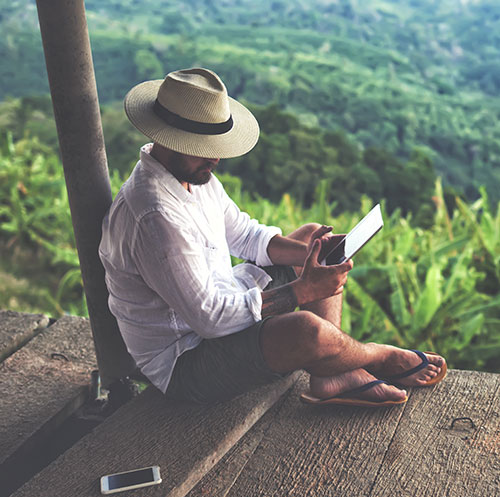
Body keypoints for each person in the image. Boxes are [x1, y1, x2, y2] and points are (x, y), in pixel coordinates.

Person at [99, 68, 446, 406]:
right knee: (308, 331)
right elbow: (210, 320)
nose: (216, 157)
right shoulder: (155, 218)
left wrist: (311, 253)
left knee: (312, 239)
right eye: (202, 146)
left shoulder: (192, 175)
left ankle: (330, 375)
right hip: (187, 360)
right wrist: (302, 291)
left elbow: (246, 235)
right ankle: (372, 357)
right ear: (167, 140)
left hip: (223, 305)